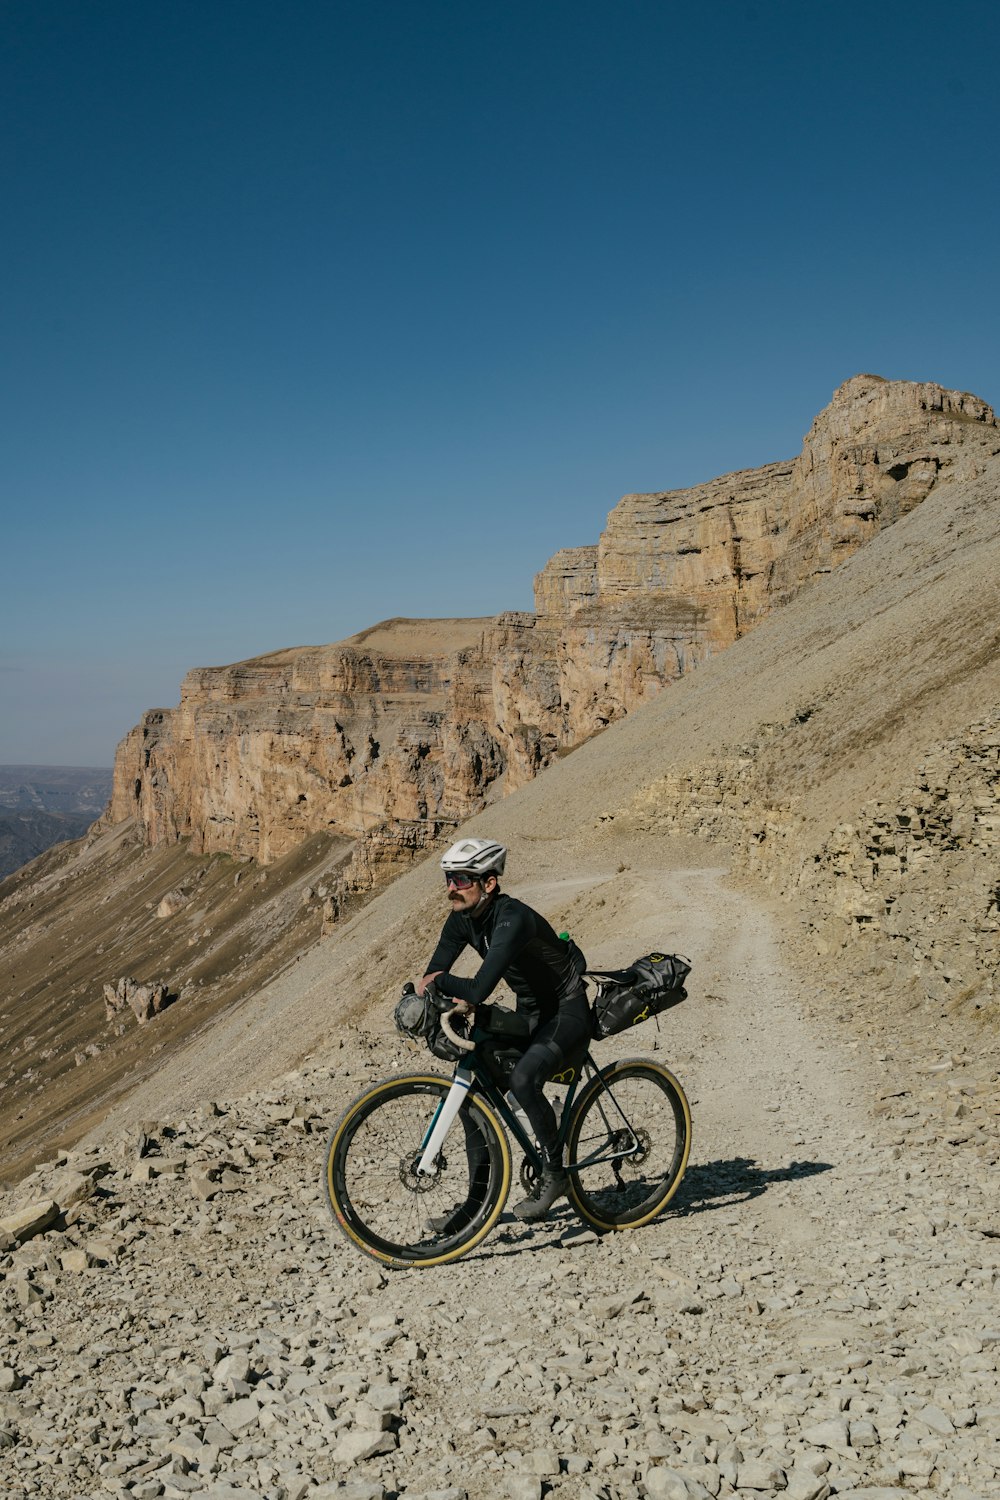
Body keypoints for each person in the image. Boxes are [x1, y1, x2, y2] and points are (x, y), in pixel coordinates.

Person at [417, 836, 591, 1222]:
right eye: (448, 879)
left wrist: (440, 984)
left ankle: (554, 1174)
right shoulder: (462, 917)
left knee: (525, 1078)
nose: (451, 888)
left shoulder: (513, 918)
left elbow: (477, 989)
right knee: (473, 1089)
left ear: (488, 883)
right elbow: (435, 972)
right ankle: (475, 1207)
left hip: (566, 1009)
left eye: (461, 879)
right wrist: (427, 995)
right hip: (529, 1012)